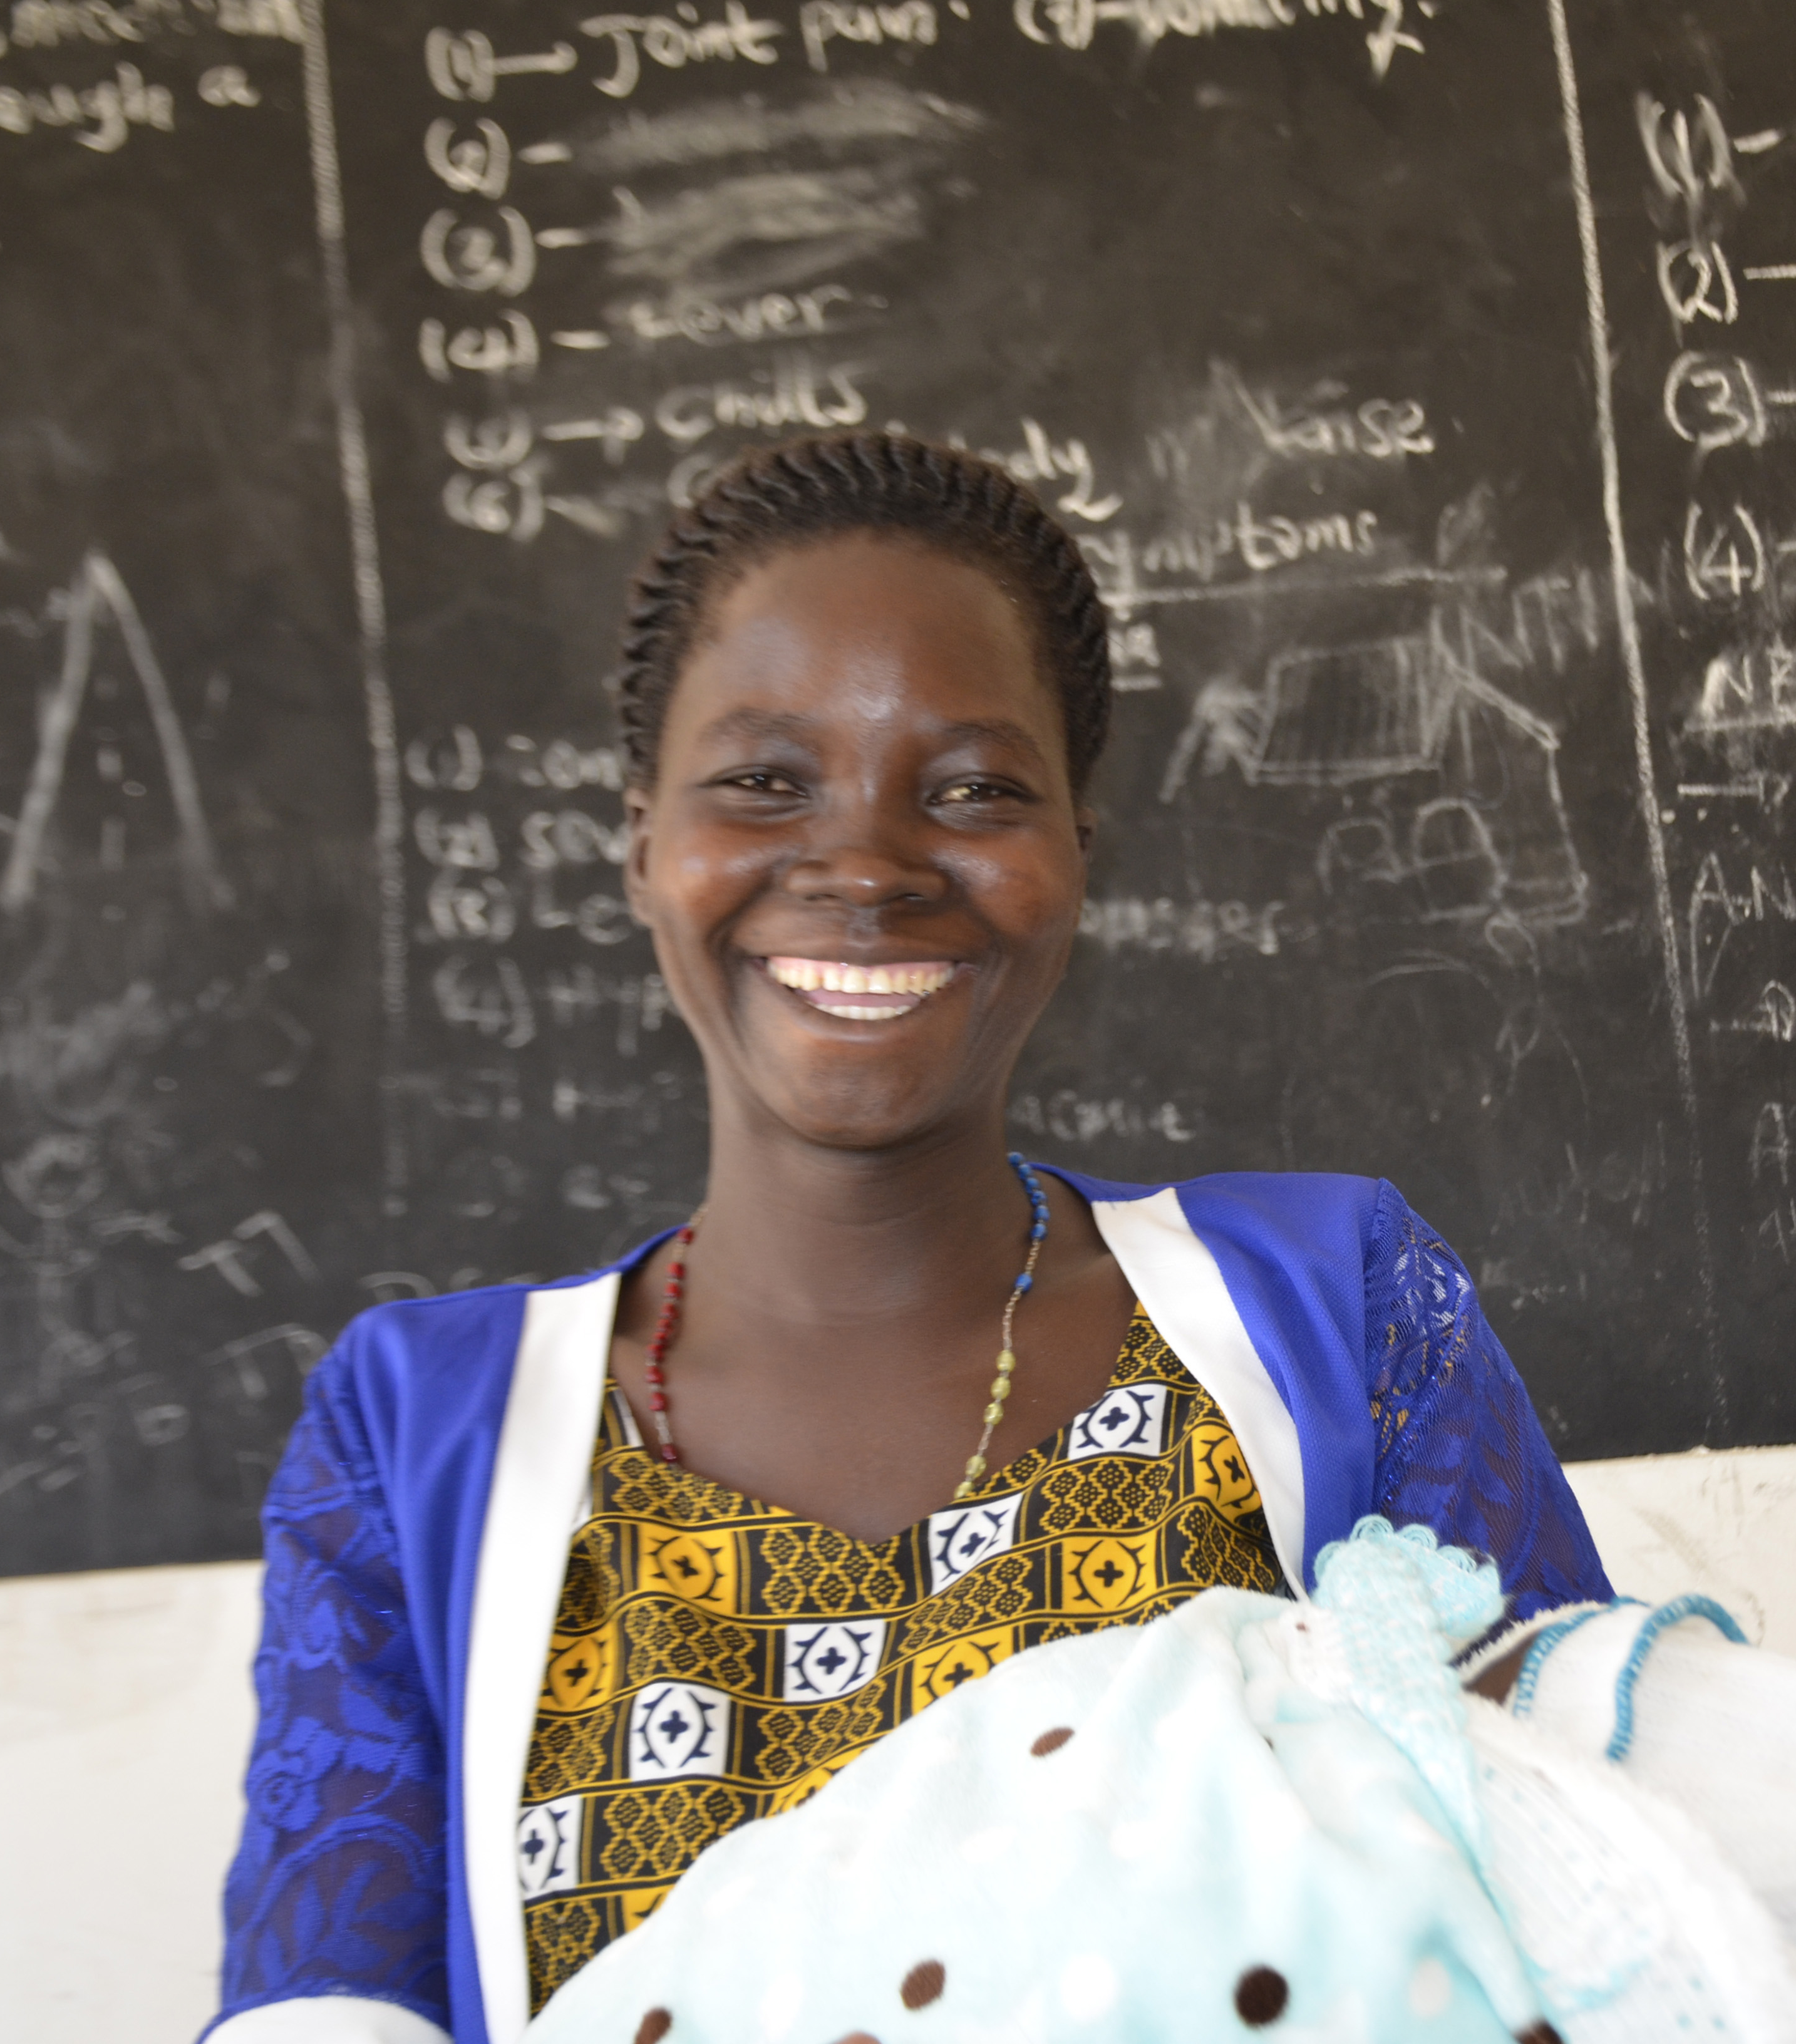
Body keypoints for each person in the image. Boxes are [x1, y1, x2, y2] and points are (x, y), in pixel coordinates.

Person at [205, 431, 1613, 2044]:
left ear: (1079, 853)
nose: (865, 867)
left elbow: (1611, 1893)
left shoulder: (1338, 1316)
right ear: (643, 846)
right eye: (763, 782)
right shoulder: (415, 1434)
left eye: (972, 790)